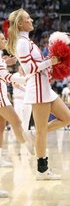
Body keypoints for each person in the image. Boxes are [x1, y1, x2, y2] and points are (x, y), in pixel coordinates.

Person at [7, 9, 70, 180]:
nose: (31, 19)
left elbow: (37, 65)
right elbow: (29, 69)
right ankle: (42, 170)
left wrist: (51, 66)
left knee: (67, 118)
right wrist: (50, 62)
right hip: (37, 89)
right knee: (42, 131)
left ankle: (32, 135)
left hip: (44, 87)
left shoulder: (28, 41)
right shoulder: (21, 43)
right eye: (27, 18)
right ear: (20, 23)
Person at [0, 31, 34, 164]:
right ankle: (29, 146)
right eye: (2, 39)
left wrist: (5, 62)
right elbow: (7, 77)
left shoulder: (1, 56)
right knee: (16, 122)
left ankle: (1, 156)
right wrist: (27, 79)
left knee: (1, 127)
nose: (5, 41)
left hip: (3, 95)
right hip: (1, 97)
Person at [12, 64, 32, 133]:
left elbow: (29, 90)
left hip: (28, 100)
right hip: (18, 100)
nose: (22, 69)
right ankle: (17, 134)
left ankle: (25, 135)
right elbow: (15, 85)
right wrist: (24, 87)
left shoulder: (29, 76)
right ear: (19, 67)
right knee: (18, 118)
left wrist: (20, 87)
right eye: (21, 67)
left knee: (26, 119)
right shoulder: (15, 75)